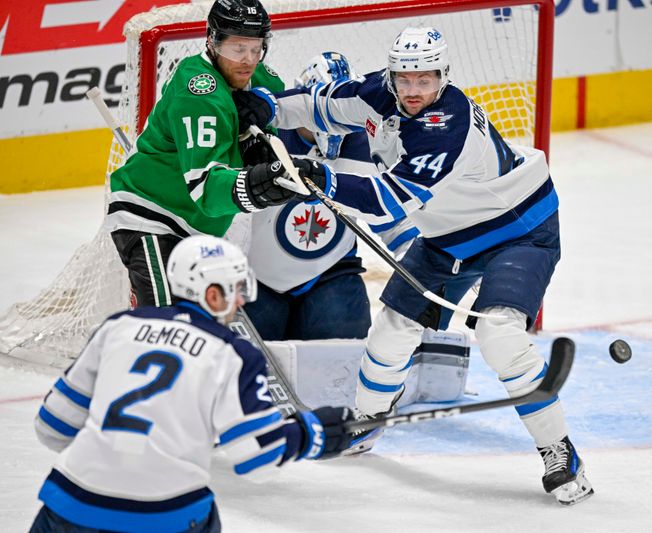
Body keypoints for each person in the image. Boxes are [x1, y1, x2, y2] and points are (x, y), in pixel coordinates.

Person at [233, 27, 594, 505]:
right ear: (392, 74)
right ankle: (366, 424)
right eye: (405, 77)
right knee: (391, 332)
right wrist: (266, 106)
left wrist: (318, 177)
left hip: (518, 228)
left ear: (443, 76)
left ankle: (560, 450)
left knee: (500, 336)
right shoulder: (378, 93)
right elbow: (320, 105)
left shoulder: (447, 126)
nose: (414, 90)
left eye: (425, 78)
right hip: (447, 237)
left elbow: (390, 201)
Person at [30, 235, 355, 532]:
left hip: (68, 505)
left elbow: (52, 425)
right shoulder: (233, 354)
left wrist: (111, 464)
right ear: (212, 294)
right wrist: (310, 432)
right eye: (236, 288)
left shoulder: (119, 326)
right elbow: (257, 457)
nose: (241, 301)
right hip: (163, 515)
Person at [105, 0, 297, 308]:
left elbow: (280, 100)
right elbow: (205, 190)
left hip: (202, 226)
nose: (248, 60)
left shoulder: (262, 77)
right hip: (152, 216)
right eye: (237, 50)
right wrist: (259, 185)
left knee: (206, 327)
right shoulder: (199, 92)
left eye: (256, 48)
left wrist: (267, 117)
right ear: (212, 40)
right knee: (167, 323)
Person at [244, 51, 418, 341]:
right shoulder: (262, 139)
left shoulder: (371, 149)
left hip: (331, 277)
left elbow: (393, 221)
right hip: (255, 279)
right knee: (244, 373)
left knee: (343, 369)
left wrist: (423, 269)